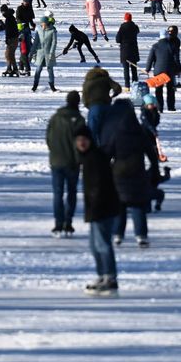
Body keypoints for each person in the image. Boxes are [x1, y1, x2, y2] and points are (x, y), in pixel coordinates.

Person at [98, 99, 159, 248]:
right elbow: (151, 153)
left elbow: (107, 153)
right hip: (137, 171)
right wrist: (155, 168)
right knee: (138, 205)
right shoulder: (140, 132)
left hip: (118, 172)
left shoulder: (116, 133)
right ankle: (141, 235)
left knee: (120, 205)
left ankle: (118, 234)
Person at [74, 124, 119, 296]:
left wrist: (97, 206)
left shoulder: (95, 157)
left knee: (102, 244)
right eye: (78, 140)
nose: (81, 143)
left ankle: (110, 277)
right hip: (95, 208)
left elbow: (100, 186)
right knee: (94, 245)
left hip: (103, 207)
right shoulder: (87, 158)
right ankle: (102, 275)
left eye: (84, 140)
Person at [46, 92, 85, 238]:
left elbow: (48, 137)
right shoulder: (79, 120)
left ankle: (58, 223)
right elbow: (82, 142)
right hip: (72, 162)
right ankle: (68, 222)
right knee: (71, 193)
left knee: (58, 193)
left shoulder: (56, 117)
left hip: (56, 160)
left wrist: (54, 151)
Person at [144, 27, 181, 112]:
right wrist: (178, 70)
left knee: (159, 90)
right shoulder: (172, 46)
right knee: (170, 89)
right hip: (170, 71)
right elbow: (177, 59)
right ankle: (171, 107)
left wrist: (147, 69)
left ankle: (160, 107)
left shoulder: (155, 46)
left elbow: (150, 59)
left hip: (158, 71)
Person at [31, 16, 59, 92]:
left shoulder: (52, 31)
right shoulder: (39, 30)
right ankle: (35, 85)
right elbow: (35, 42)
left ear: (46, 23)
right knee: (38, 69)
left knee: (50, 70)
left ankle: (52, 85)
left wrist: (51, 53)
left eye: (43, 23)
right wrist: (31, 52)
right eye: (41, 23)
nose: (42, 25)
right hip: (40, 54)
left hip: (48, 53)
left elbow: (54, 43)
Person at [116, 13, 140, 87]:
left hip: (125, 50)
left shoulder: (122, 27)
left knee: (126, 69)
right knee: (134, 69)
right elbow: (137, 31)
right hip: (133, 50)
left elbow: (118, 39)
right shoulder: (135, 27)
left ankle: (127, 86)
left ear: (125, 19)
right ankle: (135, 84)